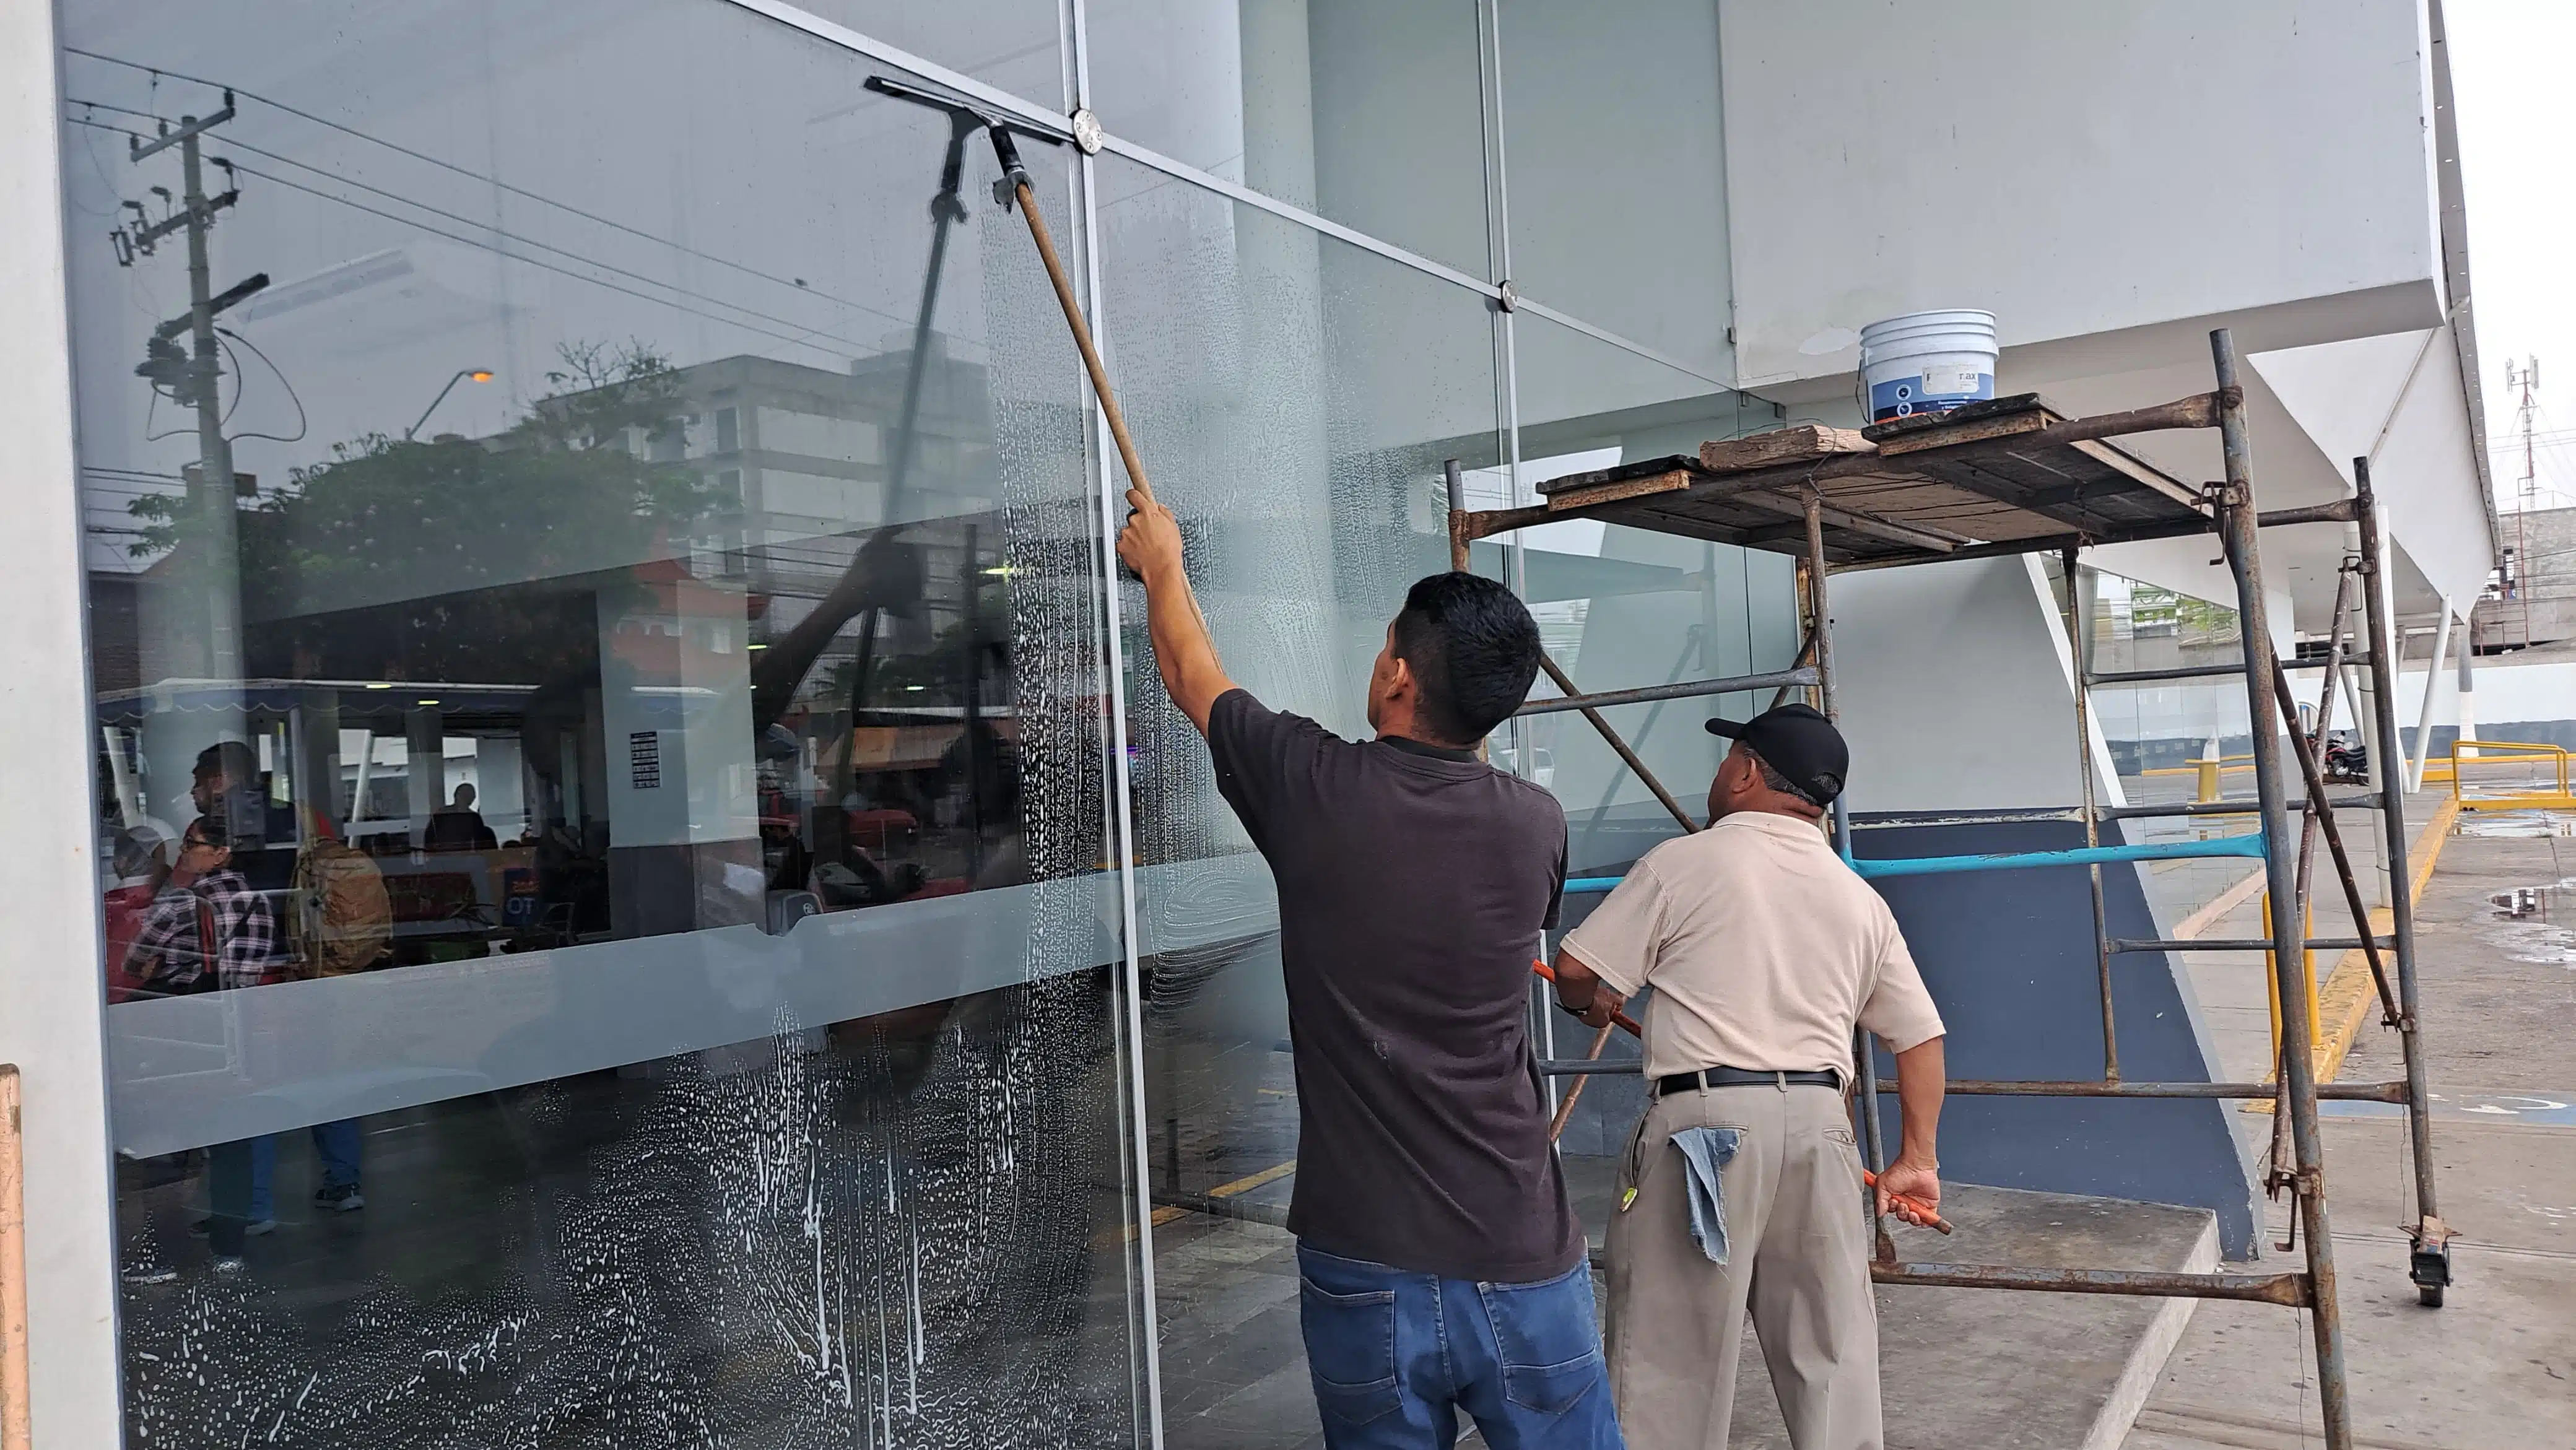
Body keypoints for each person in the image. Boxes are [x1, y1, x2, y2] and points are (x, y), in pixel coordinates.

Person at [1116, 488, 1621, 1450]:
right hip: (1522, 1251)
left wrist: (1163, 563)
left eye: (1384, 643)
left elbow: (1191, 671)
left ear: (1397, 673)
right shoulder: (1537, 824)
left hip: (1367, 1261)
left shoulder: (1315, 790)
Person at [1548, 703, 1947, 1450]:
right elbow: (1918, 1034)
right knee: (1831, 1355)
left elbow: (1575, 970)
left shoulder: (1685, 862)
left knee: (1672, 1353)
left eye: (1725, 759)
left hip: (1704, 1130)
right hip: (1820, 1133)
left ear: (1744, 772)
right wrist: (1915, 1160)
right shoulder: (1858, 898)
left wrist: (1590, 1000)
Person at [425, 781, 499, 851]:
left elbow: (480, 843)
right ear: (456, 795)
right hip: (444, 857)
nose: (466, 798)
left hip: (466, 857)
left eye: (469, 796)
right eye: (464, 795)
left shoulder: (474, 817)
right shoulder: (442, 814)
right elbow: (430, 839)